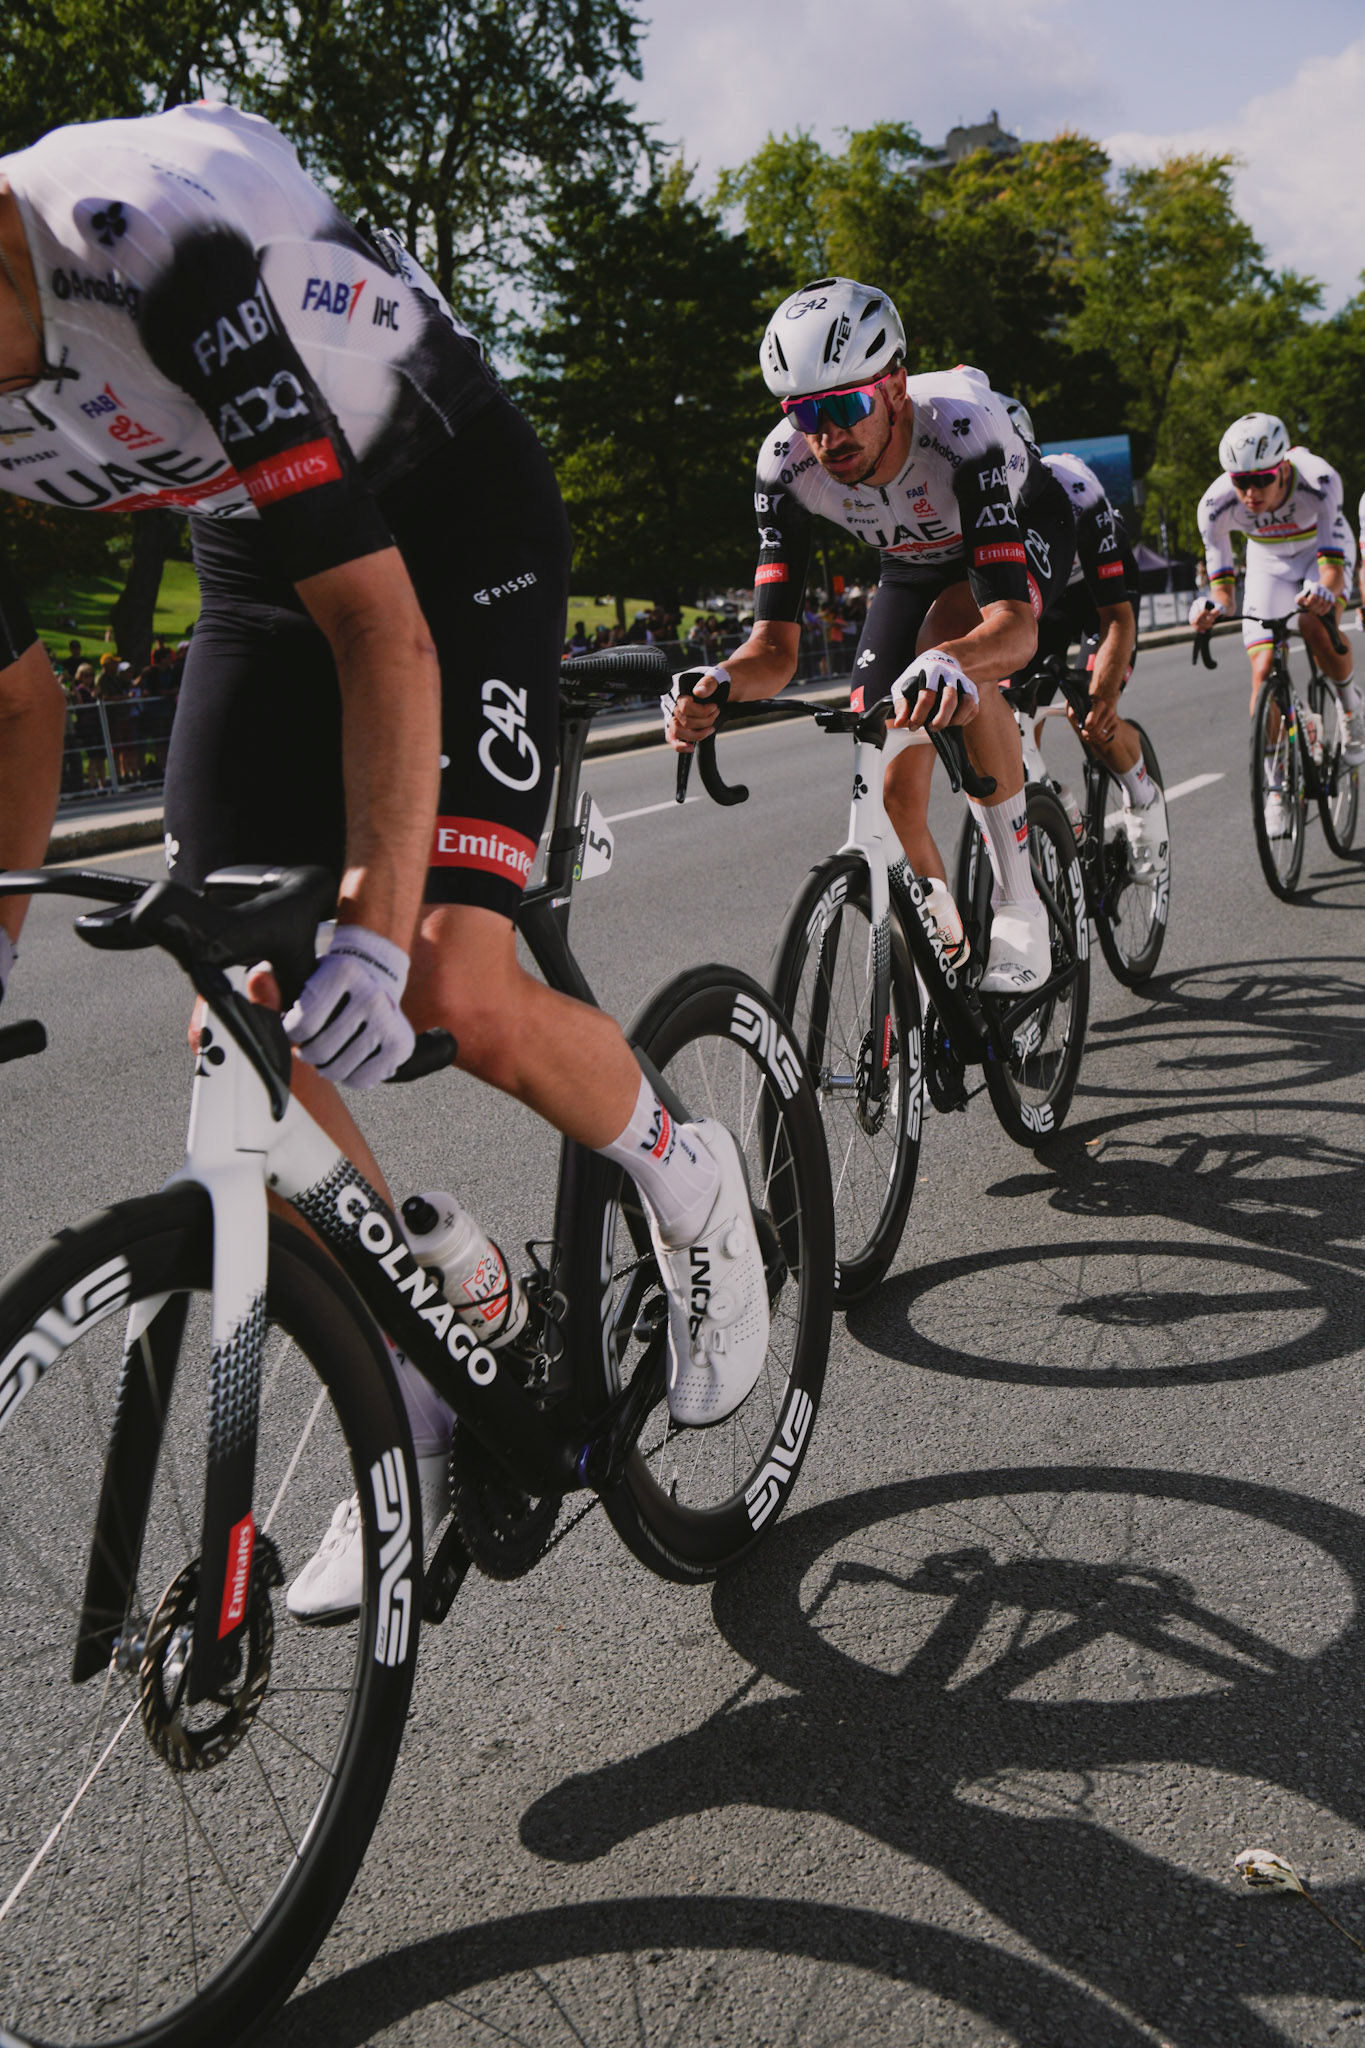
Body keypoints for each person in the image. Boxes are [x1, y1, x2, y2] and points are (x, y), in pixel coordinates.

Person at [0, 100, 770, 1617]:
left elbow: (382, 626)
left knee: (444, 981)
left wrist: (369, 916)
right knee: (234, 1013)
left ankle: (694, 1185)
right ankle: (409, 1390)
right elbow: (20, 699)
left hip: (448, 512)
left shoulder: (150, 246)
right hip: (258, 554)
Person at [663, 275, 1078, 992]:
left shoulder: (961, 432)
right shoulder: (784, 465)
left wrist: (953, 660)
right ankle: (947, 949)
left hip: (1015, 532)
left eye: (844, 406)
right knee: (888, 774)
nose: (826, 436)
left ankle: (1019, 907)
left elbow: (1010, 629)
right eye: (804, 413)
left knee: (950, 650)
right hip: (909, 561)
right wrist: (719, 684)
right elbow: (772, 650)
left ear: (894, 388)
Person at [1004, 406, 1167, 877]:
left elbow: (1116, 616)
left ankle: (1143, 798)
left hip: (1099, 593)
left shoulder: (1074, 487)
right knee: (1009, 721)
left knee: (1090, 716)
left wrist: (1106, 694)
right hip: (1041, 601)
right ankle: (1056, 806)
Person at [1191, 413, 1363, 837]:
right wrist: (1210, 607)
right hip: (1267, 561)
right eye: (1240, 482)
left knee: (1312, 625)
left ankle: (1351, 709)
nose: (1250, 493)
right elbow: (1224, 594)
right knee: (1263, 668)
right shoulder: (1214, 506)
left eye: (1261, 480)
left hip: (1319, 552)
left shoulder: (1319, 481)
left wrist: (1323, 593)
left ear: (1283, 467)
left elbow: (1331, 573)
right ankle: (1275, 787)